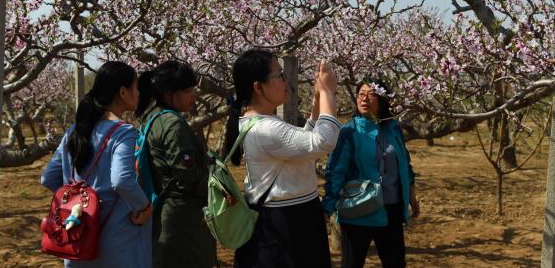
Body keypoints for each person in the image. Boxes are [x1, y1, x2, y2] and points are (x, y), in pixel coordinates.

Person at [225, 49, 341, 268]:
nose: (285, 80)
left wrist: (317, 99)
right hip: (285, 225)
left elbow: (305, 144)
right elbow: (323, 142)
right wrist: (327, 92)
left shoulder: (262, 123)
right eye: (278, 75)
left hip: (293, 217)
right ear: (258, 87)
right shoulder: (265, 129)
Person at [41, 61, 153, 268]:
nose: (138, 93)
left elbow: (48, 178)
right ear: (122, 92)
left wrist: (76, 203)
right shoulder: (123, 133)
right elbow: (122, 181)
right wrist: (145, 207)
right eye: (135, 87)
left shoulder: (75, 130)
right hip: (115, 243)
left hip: (77, 241)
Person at [321, 78, 419, 268]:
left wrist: (411, 196)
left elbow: (404, 163)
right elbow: (335, 171)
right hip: (359, 210)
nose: (364, 99)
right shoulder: (349, 132)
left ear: (383, 99)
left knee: (396, 263)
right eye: (361, 94)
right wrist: (328, 207)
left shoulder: (393, 129)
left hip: (391, 211)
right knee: (352, 264)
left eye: (371, 94)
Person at [135, 60, 215, 268]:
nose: (193, 96)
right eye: (188, 90)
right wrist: (216, 188)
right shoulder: (172, 124)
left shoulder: (152, 118)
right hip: (183, 220)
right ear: (168, 93)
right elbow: (187, 175)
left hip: (163, 211)